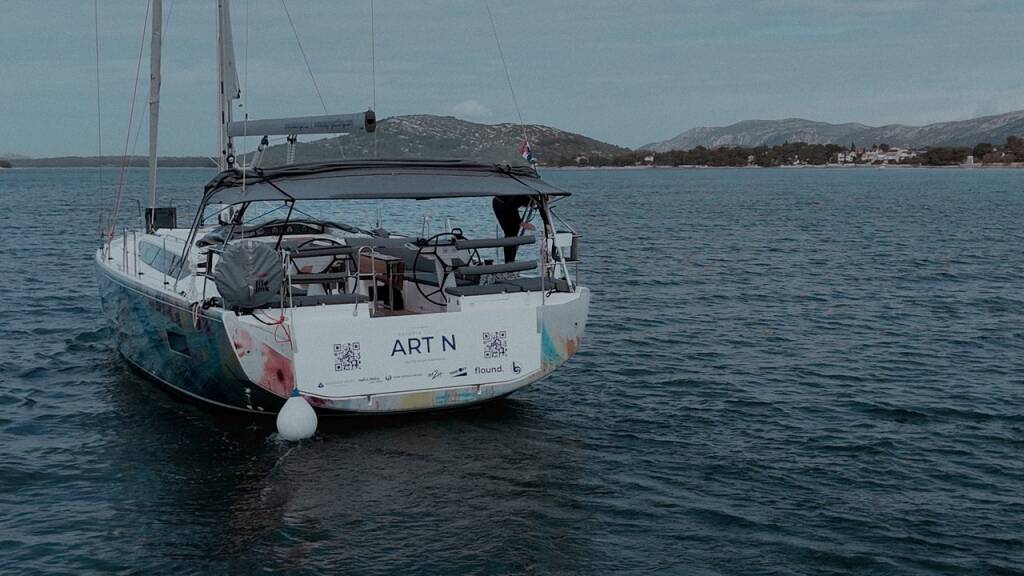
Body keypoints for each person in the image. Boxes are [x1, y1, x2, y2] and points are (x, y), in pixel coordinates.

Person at [491, 195, 533, 262]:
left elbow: (543, 209)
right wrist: (521, 223)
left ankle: (510, 261)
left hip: (507, 203)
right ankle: (509, 262)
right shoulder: (522, 195)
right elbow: (511, 206)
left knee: (513, 232)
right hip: (501, 203)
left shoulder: (540, 197)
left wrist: (547, 223)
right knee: (511, 232)